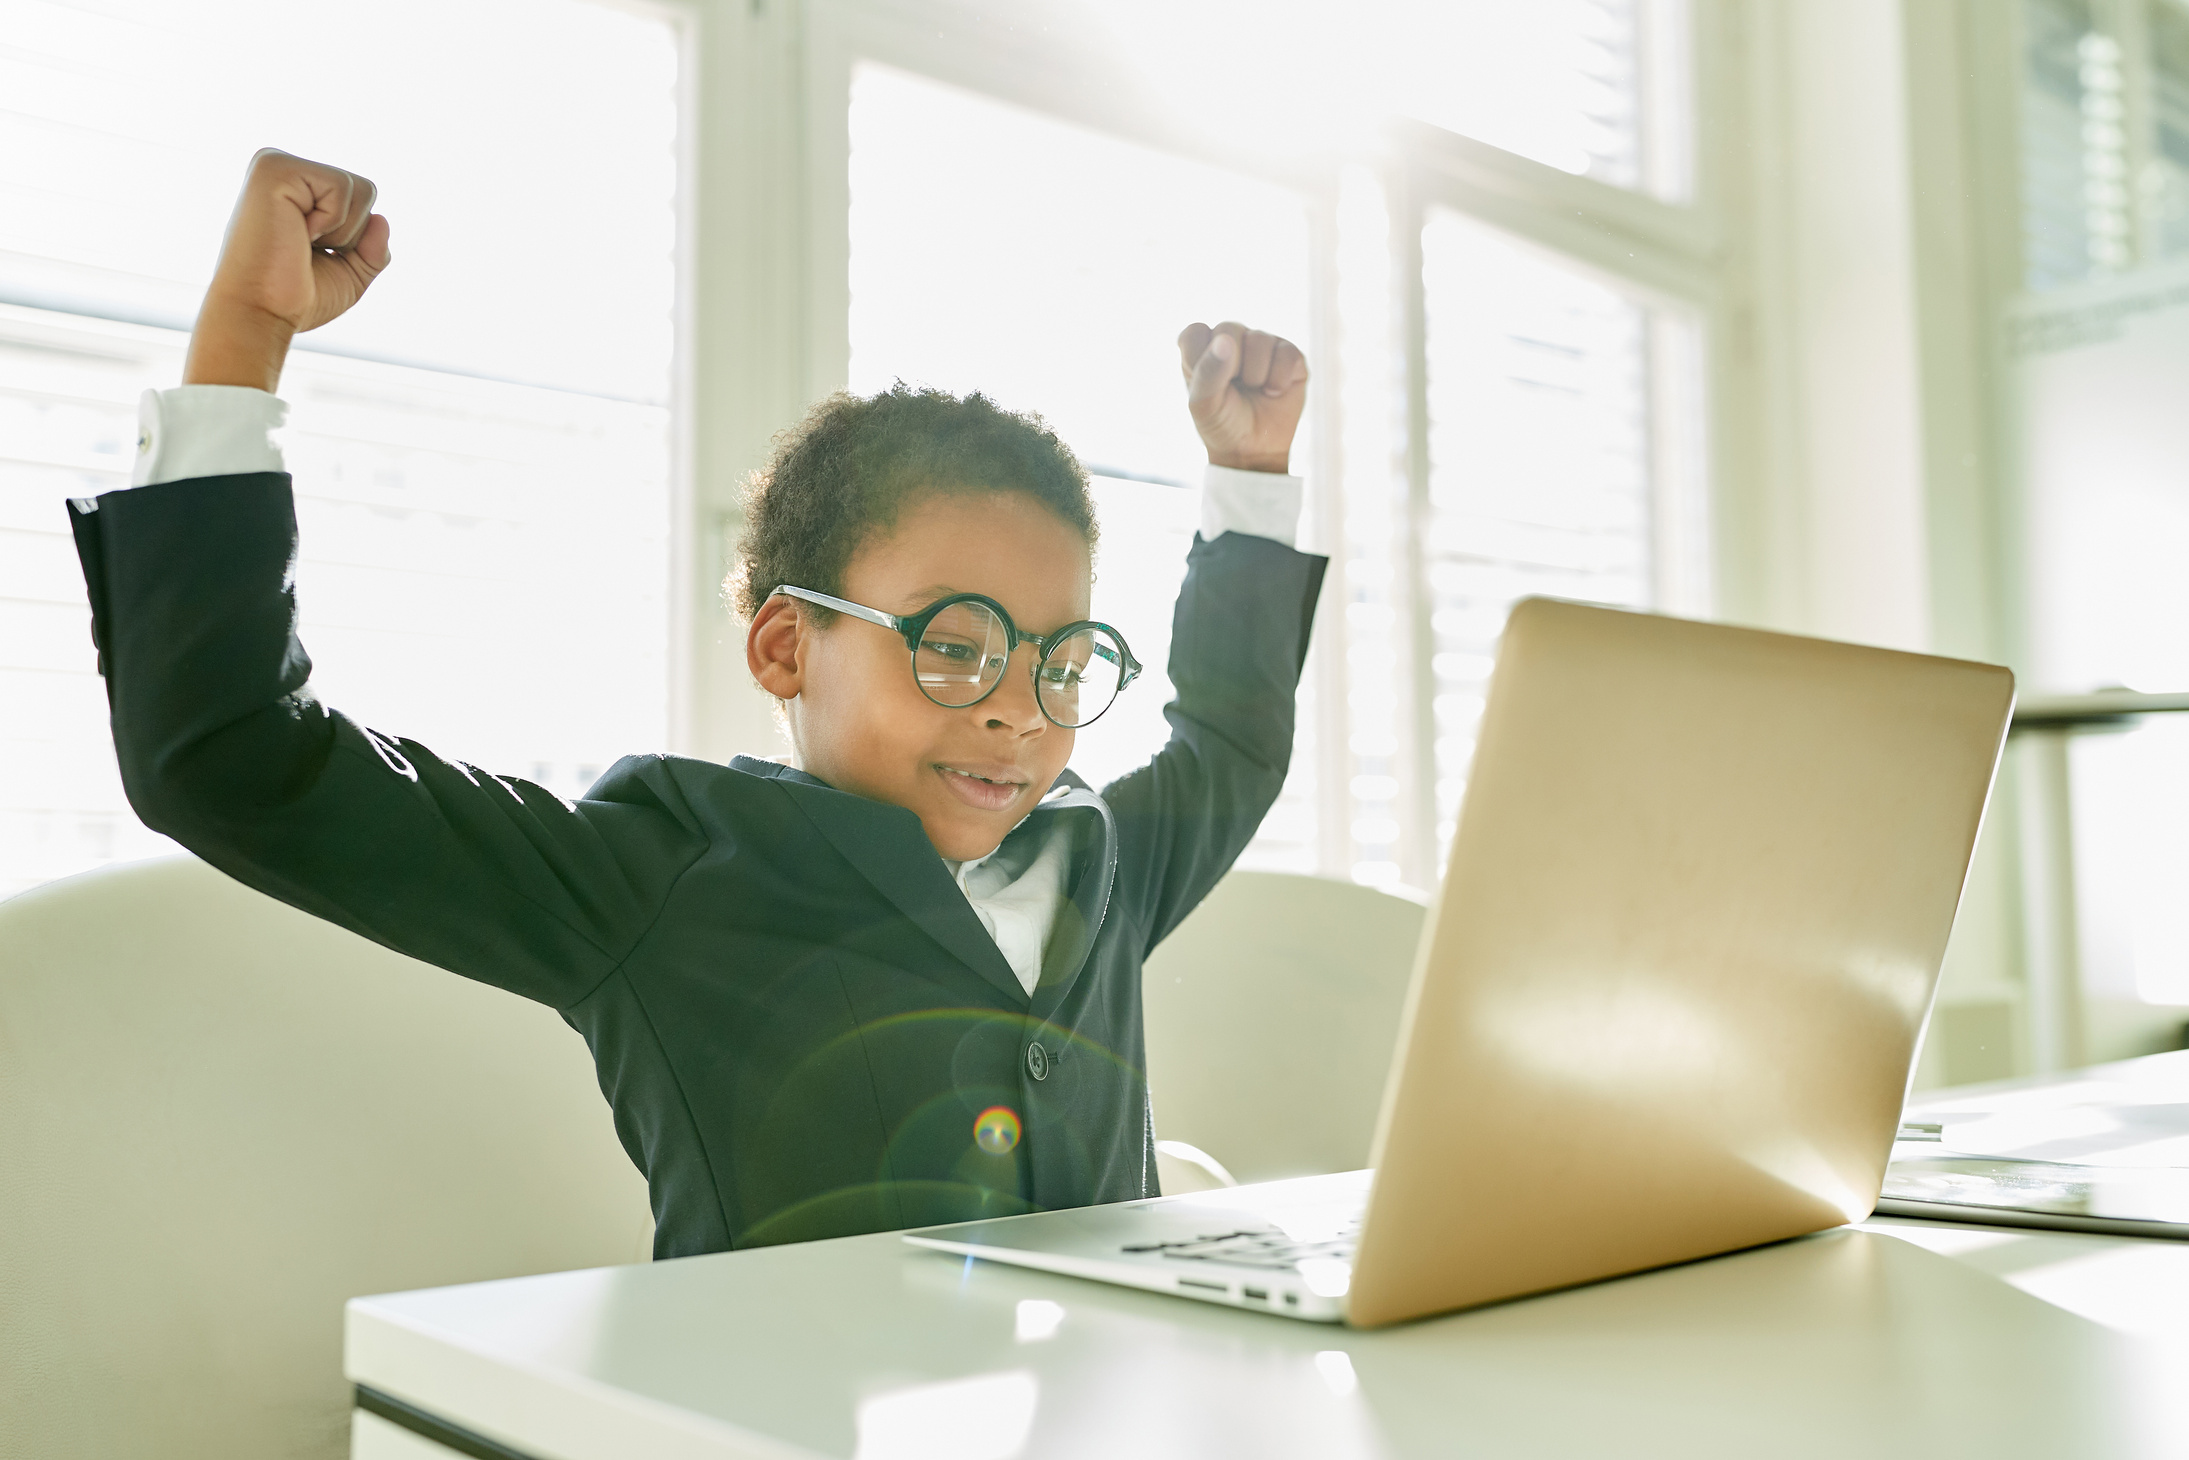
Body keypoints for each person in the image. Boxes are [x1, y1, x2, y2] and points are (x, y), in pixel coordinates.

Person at [70, 149, 1327, 1255]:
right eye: (954, 645)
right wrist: (243, 340)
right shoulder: (662, 873)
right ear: (785, 645)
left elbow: (1230, 738)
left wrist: (1250, 476)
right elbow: (231, 756)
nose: (1015, 710)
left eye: (1059, 661)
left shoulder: (1100, 857)